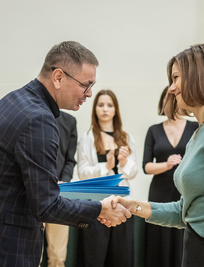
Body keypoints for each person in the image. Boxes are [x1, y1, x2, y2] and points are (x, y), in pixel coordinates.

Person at [0, 41, 131, 267]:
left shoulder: (13, 99)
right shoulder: (39, 119)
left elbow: (15, 181)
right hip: (0, 249)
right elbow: (46, 206)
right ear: (59, 77)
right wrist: (100, 209)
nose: (89, 94)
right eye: (86, 85)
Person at [111, 44, 204, 267]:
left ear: (198, 76)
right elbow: (183, 211)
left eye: (176, 78)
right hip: (197, 249)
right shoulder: (200, 132)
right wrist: (132, 206)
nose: (171, 88)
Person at [76, 89, 138, 267]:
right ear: (95, 109)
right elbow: (82, 173)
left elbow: (133, 173)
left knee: (122, 257)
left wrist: (124, 162)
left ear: (115, 110)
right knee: (93, 257)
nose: (105, 109)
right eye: (101, 105)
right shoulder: (87, 139)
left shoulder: (126, 138)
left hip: (122, 204)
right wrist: (107, 166)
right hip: (96, 205)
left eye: (109, 105)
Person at [142, 86, 198, 267]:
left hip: (186, 191)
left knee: (183, 240)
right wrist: (166, 165)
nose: (172, 102)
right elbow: (146, 166)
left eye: (175, 97)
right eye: (168, 98)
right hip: (160, 192)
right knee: (159, 241)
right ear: (162, 102)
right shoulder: (153, 130)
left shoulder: (195, 127)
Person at [44, 111, 77, 267]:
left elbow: (70, 160)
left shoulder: (70, 121)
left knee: (58, 256)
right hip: (33, 193)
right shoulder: (31, 116)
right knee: (30, 252)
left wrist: (64, 181)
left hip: (60, 194)